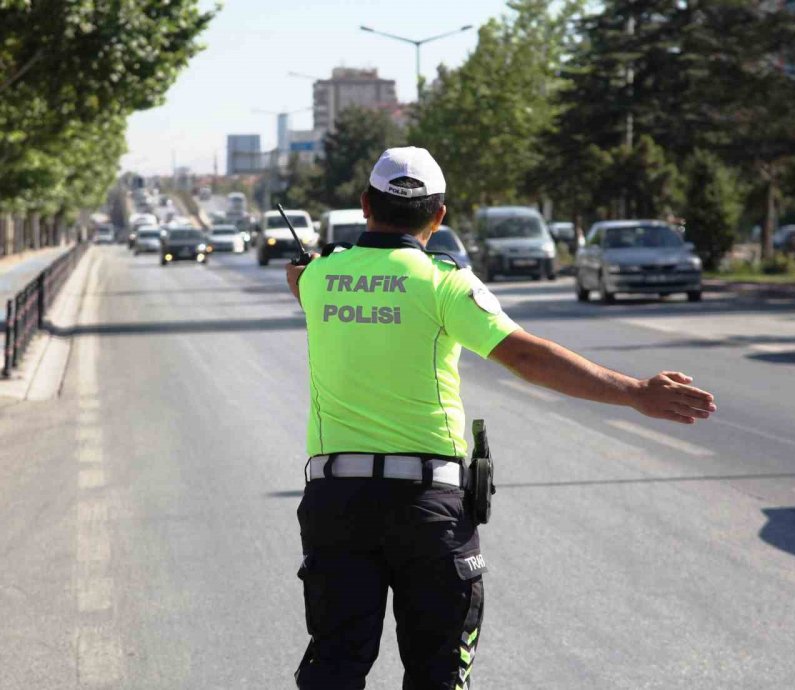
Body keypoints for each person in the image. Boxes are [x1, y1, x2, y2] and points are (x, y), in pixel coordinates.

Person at [285, 147, 717, 690]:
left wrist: (311, 272)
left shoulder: (320, 278)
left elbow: (299, 281)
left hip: (336, 506)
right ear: (439, 216)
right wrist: (634, 392)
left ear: (365, 204)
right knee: (437, 675)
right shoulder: (445, 282)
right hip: (427, 510)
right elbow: (527, 356)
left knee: (335, 669)